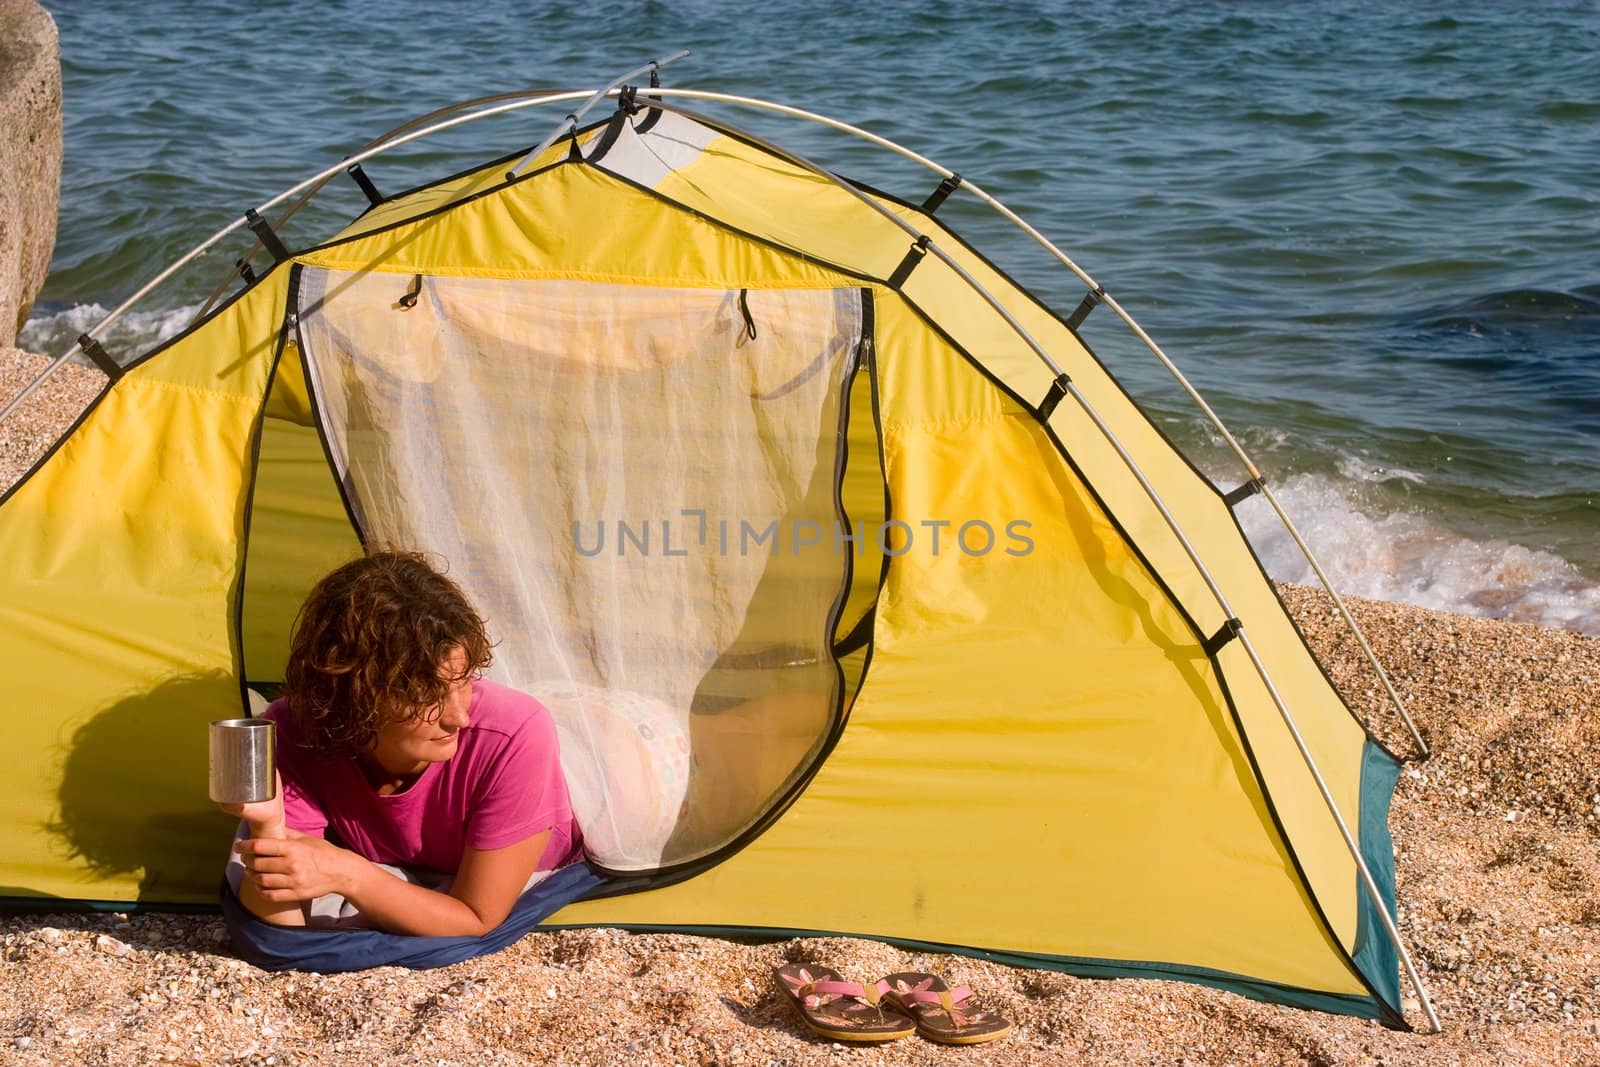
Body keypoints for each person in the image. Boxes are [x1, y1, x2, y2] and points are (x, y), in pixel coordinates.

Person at [221, 550, 583, 936]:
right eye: (424, 694)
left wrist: (350, 873)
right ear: (356, 691)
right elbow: (283, 933)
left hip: (598, 773)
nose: (457, 716)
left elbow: (477, 917)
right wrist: (268, 826)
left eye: (462, 681)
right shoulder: (295, 732)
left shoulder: (513, 736)